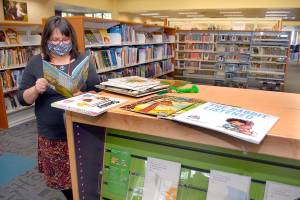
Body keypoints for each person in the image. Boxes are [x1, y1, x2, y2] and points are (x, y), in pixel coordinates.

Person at [17, 16, 100, 200]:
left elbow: (97, 89)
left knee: (86, 176)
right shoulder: (36, 63)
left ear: (72, 38)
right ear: (46, 40)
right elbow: (22, 99)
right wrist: (35, 89)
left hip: (83, 131)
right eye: (55, 40)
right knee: (63, 182)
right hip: (53, 137)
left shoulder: (82, 60)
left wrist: (86, 95)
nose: (60, 43)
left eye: (64, 39)